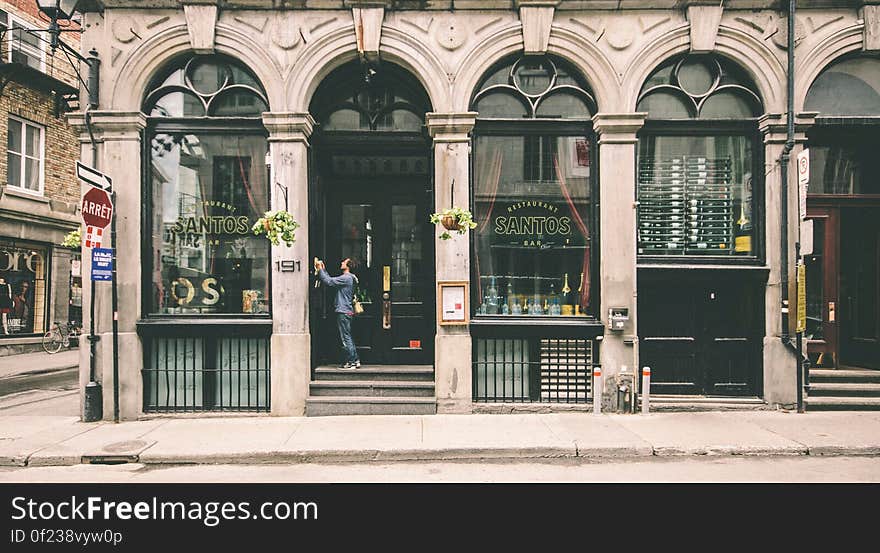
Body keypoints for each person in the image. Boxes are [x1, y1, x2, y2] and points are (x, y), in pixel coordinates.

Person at [316, 257, 361, 369]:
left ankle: (352, 362)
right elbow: (330, 279)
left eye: (344, 262)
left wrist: (320, 269)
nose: (341, 263)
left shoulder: (346, 278)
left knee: (346, 337)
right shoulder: (352, 278)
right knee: (348, 336)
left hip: (343, 310)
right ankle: (355, 360)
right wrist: (324, 270)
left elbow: (329, 282)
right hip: (347, 310)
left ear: (348, 266)